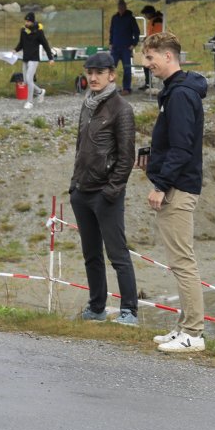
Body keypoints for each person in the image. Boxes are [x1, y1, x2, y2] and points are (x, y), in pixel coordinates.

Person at [143, 31, 208, 353]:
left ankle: (194, 333)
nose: (147, 64)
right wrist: (152, 156)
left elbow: (182, 148)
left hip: (178, 189)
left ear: (168, 56)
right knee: (179, 262)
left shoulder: (180, 95)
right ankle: (184, 327)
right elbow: (174, 142)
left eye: (150, 57)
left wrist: (161, 185)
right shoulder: (174, 91)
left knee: (183, 263)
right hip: (177, 184)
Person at [70, 51, 139, 326]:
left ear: (112, 75)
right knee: (91, 255)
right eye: (90, 72)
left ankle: (129, 311)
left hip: (106, 194)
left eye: (99, 72)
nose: (93, 77)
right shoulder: (87, 105)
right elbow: (80, 147)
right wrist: (74, 186)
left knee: (118, 254)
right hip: (82, 191)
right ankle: (97, 307)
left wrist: (111, 191)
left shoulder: (122, 109)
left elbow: (127, 157)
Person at [13, 12, 54, 110]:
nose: (26, 23)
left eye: (28, 21)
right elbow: (21, 43)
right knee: (26, 81)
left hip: (34, 59)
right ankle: (40, 92)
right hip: (25, 58)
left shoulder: (38, 31)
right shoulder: (23, 30)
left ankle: (30, 102)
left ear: (32, 22)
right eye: (25, 21)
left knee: (29, 79)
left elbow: (45, 45)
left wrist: (50, 58)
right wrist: (15, 50)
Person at [107, 0, 141, 95]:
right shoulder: (114, 18)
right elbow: (111, 31)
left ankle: (126, 88)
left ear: (125, 7)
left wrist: (133, 44)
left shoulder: (130, 18)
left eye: (122, 7)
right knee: (111, 67)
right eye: (119, 7)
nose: (120, 8)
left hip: (126, 48)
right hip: (115, 48)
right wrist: (110, 43)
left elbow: (137, 32)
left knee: (127, 69)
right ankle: (109, 87)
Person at [139, 6, 165, 89]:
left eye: (146, 14)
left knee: (151, 64)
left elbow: (157, 34)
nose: (145, 16)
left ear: (150, 13)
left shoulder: (157, 20)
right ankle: (148, 83)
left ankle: (152, 84)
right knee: (146, 64)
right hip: (151, 46)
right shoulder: (153, 20)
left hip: (156, 47)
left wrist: (147, 39)